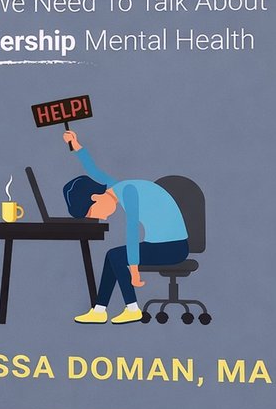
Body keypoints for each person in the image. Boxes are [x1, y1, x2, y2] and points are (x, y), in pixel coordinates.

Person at [61, 129, 187, 325]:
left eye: (92, 213)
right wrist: (75, 145)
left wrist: (134, 270)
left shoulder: (128, 191)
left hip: (173, 247)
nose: (98, 218)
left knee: (116, 256)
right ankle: (99, 310)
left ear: (96, 198)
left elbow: (132, 230)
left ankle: (132, 309)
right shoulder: (116, 188)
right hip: (160, 244)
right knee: (113, 256)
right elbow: (93, 171)